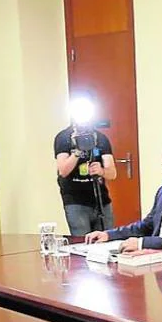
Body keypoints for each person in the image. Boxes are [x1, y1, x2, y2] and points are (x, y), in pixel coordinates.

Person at [54, 98, 117, 236]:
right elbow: (63, 171)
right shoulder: (64, 138)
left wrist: (101, 171)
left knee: (106, 240)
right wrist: (77, 151)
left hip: (101, 200)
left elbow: (112, 173)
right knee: (82, 242)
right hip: (75, 200)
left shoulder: (100, 138)